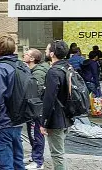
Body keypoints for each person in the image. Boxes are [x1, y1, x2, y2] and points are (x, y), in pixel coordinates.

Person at [0, 33, 26, 170]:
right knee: (17, 162)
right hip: (17, 120)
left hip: (2, 121)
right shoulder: (21, 66)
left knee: (3, 164)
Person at [42, 40, 73, 170]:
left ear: (52, 54)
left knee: (57, 154)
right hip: (67, 116)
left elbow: (49, 99)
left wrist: (44, 122)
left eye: (47, 49)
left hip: (56, 119)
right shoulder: (68, 67)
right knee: (59, 151)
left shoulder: (53, 72)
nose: (45, 51)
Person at [22, 48, 49, 170]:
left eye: (26, 54)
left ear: (32, 59)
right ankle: (35, 156)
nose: (23, 55)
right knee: (33, 134)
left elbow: (35, 92)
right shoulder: (33, 70)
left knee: (36, 134)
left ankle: (38, 162)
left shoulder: (38, 73)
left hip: (36, 110)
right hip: (33, 109)